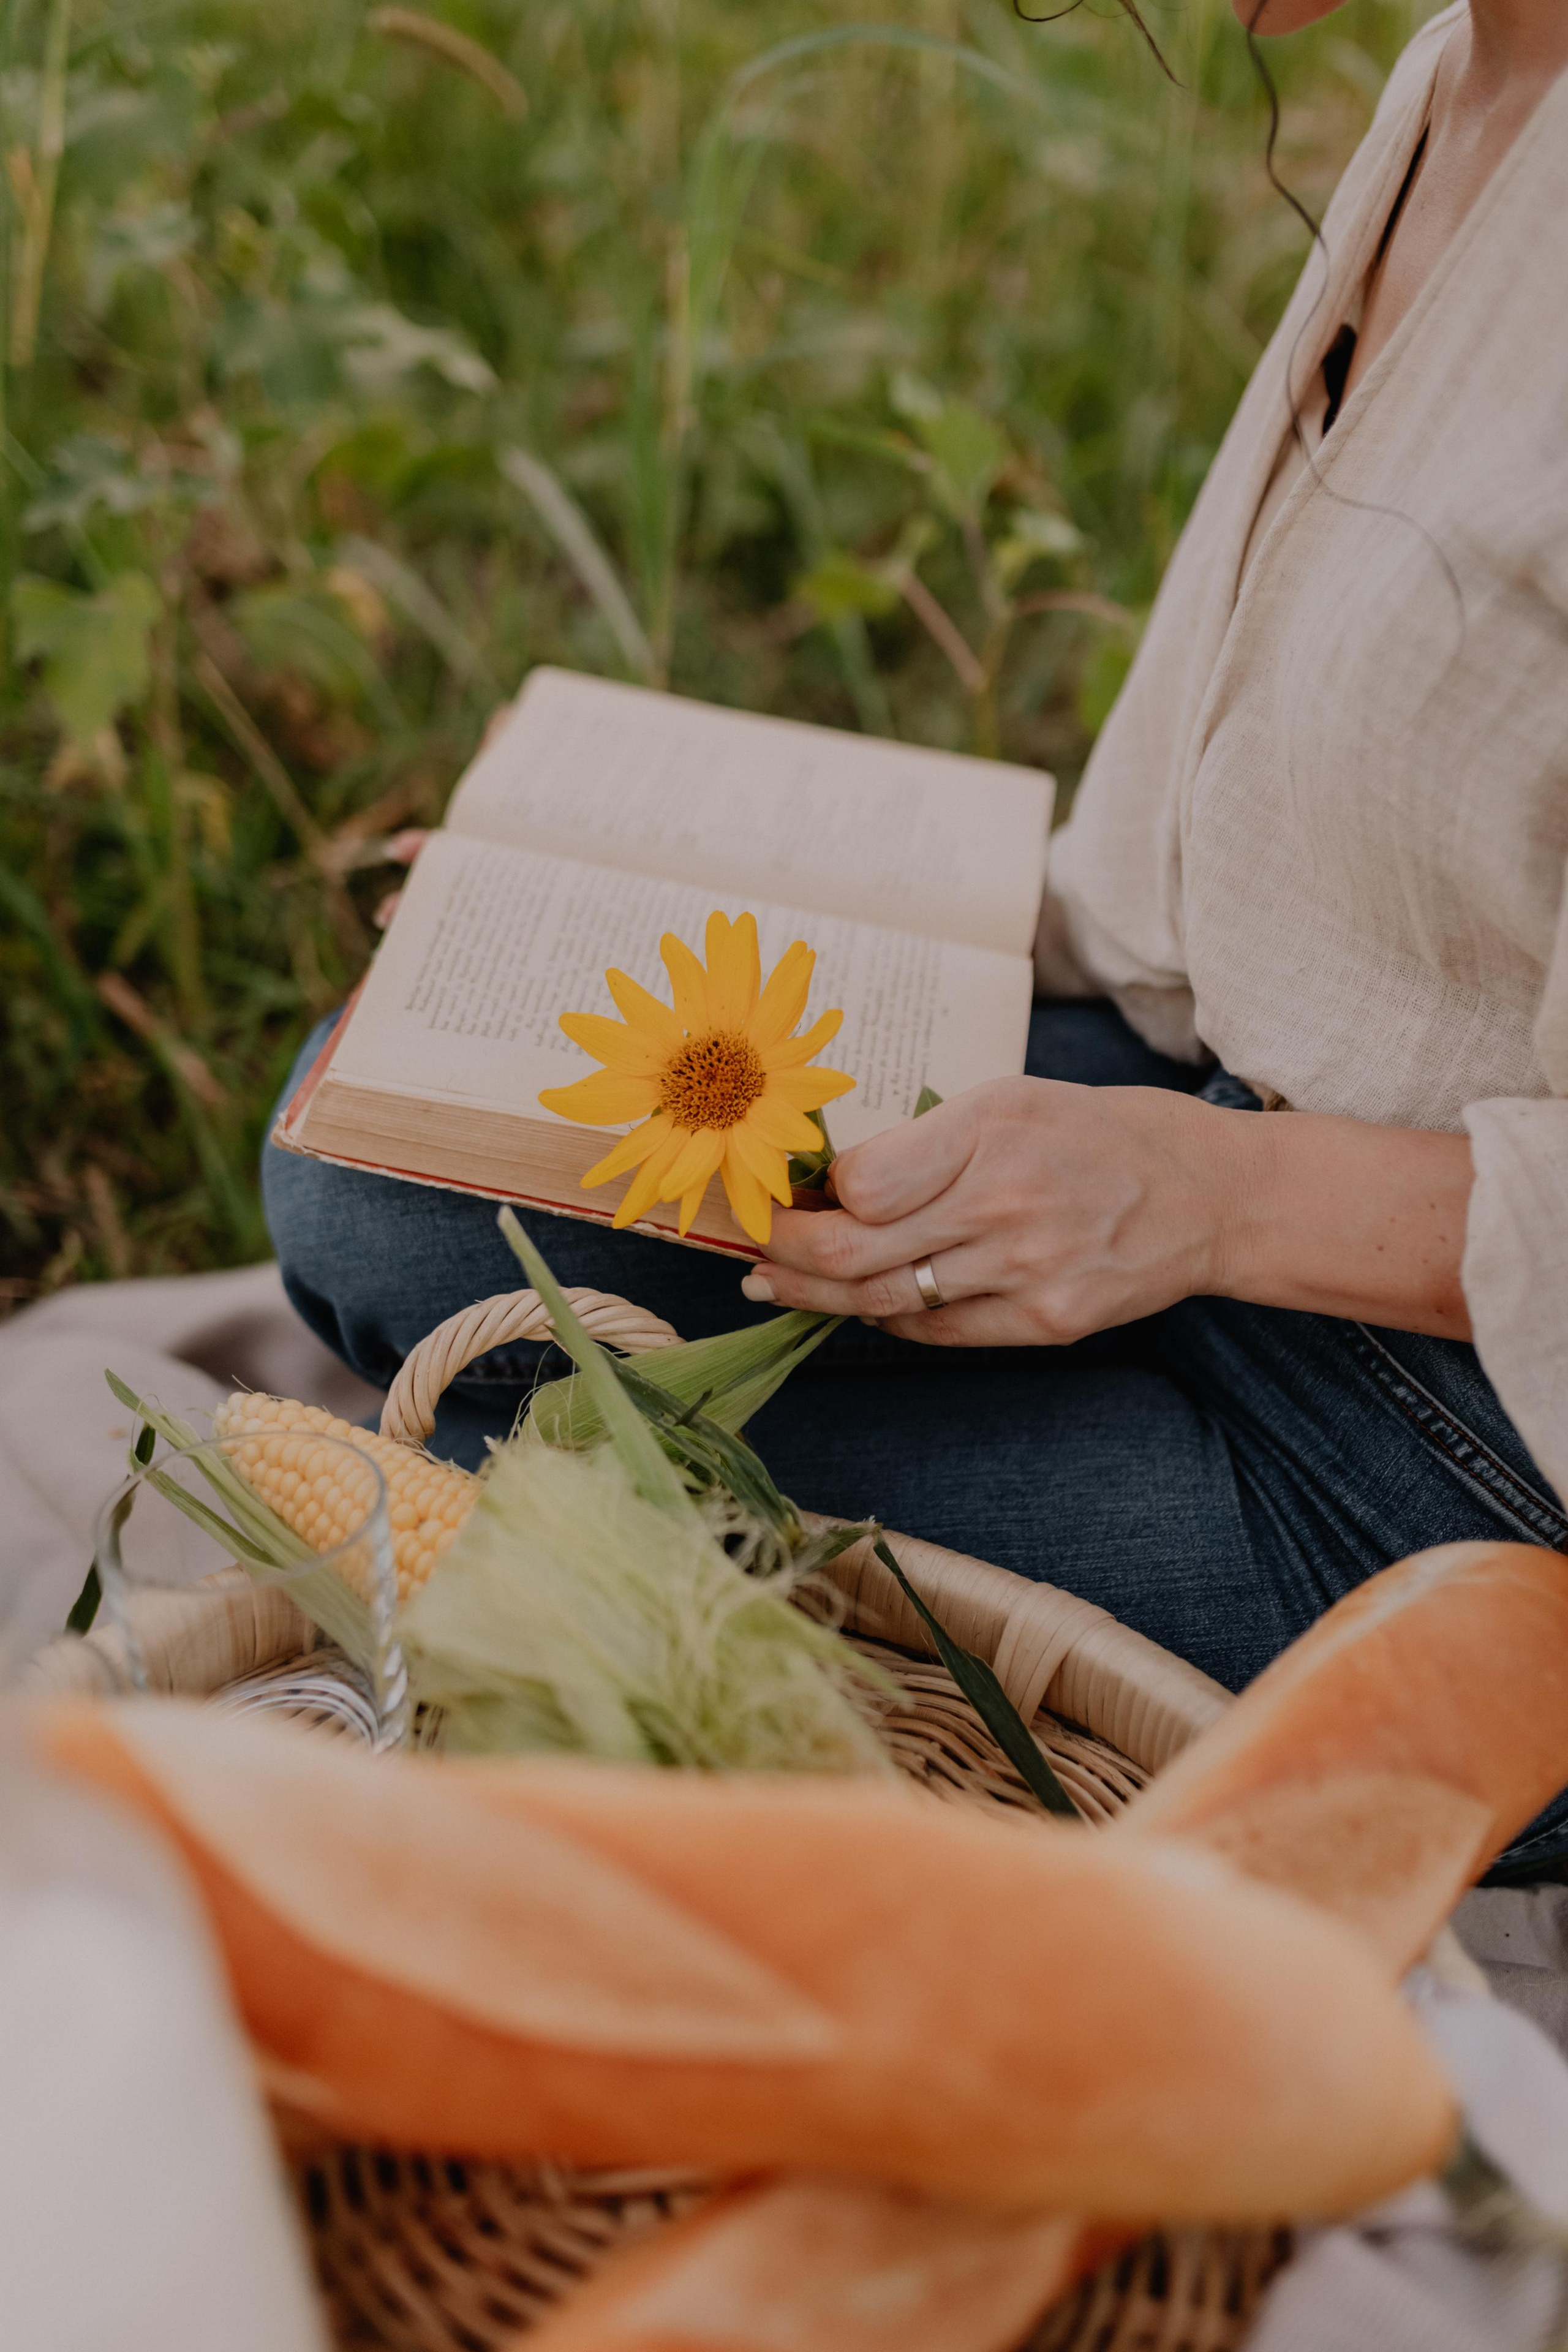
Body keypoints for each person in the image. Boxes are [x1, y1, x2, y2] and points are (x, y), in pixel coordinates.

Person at [264, 0, 1568, 1866]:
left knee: (498, 1487)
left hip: (1466, 1469)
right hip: (1236, 1124)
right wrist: (633, 883)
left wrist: (1206, 1204)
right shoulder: (1467, 68)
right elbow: (1301, 805)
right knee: (364, 1163)